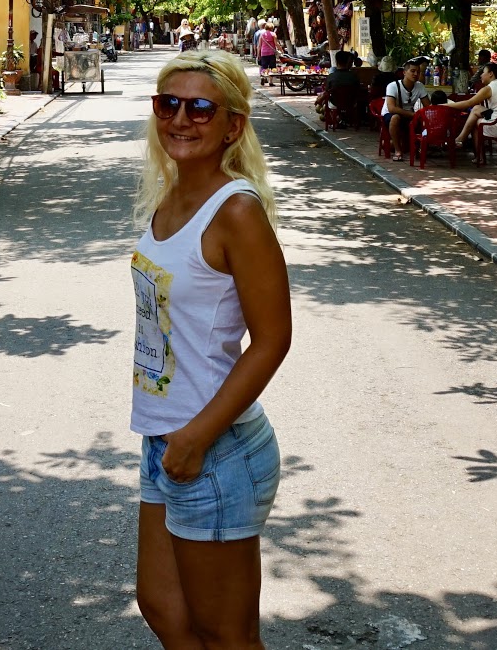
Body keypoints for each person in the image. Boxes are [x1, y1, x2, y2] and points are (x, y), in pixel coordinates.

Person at [133, 50, 291, 650]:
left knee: (226, 636)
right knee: (166, 612)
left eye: (201, 107)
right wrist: (176, 437)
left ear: (233, 125)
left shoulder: (237, 212)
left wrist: (197, 436)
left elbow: (273, 339)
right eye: (168, 104)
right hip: (166, 436)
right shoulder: (170, 197)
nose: (181, 118)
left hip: (214, 446)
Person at [444, 61, 497, 149]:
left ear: (491, 74)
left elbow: (468, 103)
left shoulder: (489, 88)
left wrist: (444, 105)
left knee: (475, 122)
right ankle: (460, 139)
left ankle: (479, 157)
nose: (481, 75)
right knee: (476, 108)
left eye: (483, 72)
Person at [382, 57, 430, 159]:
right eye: (412, 71)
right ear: (404, 72)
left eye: (418, 72)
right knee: (395, 117)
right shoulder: (392, 86)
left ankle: (423, 147)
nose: (416, 74)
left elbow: (428, 106)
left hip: (408, 115)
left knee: (425, 119)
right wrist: (414, 114)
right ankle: (397, 151)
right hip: (390, 115)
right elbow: (391, 108)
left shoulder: (419, 86)